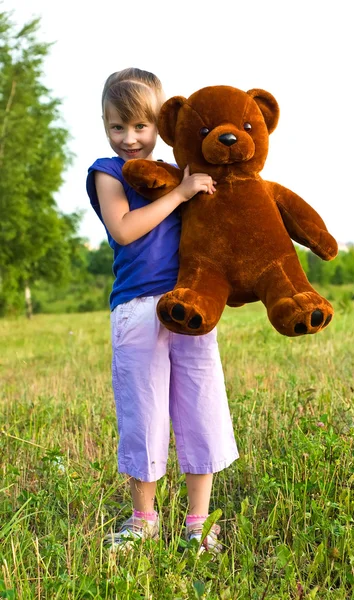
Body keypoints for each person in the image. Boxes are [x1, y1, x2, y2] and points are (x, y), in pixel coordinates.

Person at [86, 68, 239, 553]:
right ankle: (143, 519)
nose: (129, 139)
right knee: (143, 414)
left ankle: (199, 522)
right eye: (117, 127)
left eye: (140, 126)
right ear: (104, 126)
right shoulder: (107, 173)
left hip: (189, 306)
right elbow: (126, 229)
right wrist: (180, 193)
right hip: (136, 307)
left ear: (160, 125)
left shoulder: (183, 171)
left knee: (200, 408)